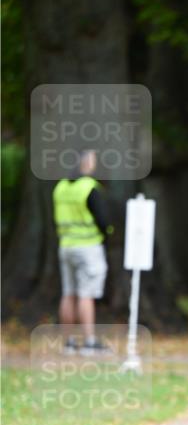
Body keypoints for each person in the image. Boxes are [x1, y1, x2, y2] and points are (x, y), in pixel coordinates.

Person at [52, 150, 113, 354]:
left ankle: (68, 343)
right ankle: (89, 342)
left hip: (66, 246)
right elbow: (103, 221)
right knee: (86, 294)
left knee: (68, 294)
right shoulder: (89, 188)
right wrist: (109, 233)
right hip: (88, 247)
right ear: (85, 163)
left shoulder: (60, 187)